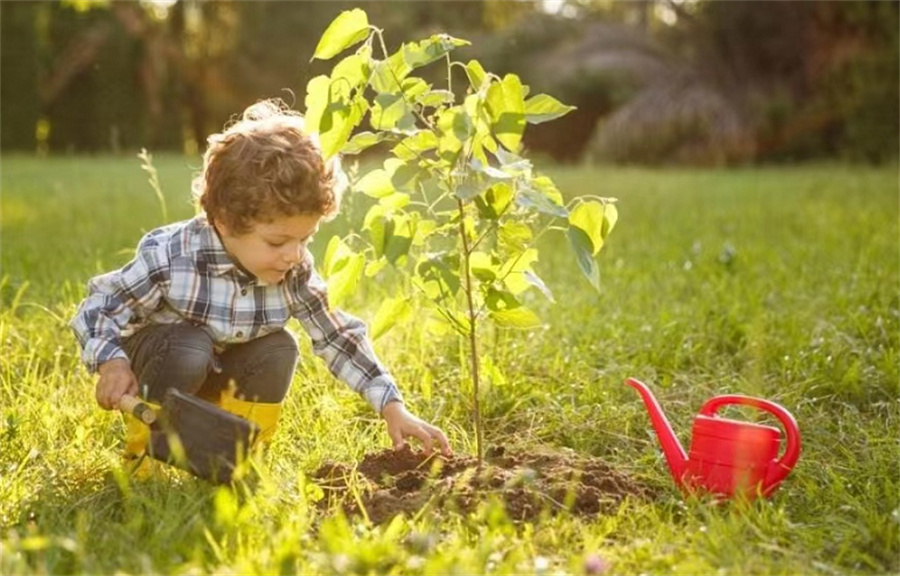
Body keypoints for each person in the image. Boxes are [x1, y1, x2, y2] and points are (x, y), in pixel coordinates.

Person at [70, 99, 451, 473]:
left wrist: (392, 406)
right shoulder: (173, 257)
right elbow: (100, 306)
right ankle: (145, 459)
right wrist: (112, 362)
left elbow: (338, 336)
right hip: (165, 365)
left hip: (219, 375)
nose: (294, 255)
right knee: (190, 346)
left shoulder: (294, 271)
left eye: (305, 239)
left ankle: (236, 458)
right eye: (277, 242)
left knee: (279, 347)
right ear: (223, 220)